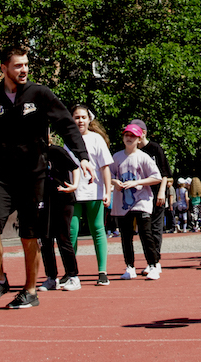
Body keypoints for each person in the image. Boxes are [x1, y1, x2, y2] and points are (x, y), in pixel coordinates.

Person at [0, 45, 89, 310]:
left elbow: (65, 124)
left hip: (34, 176)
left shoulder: (40, 94)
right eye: (17, 65)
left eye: (26, 64)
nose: (23, 70)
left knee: (29, 236)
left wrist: (82, 157)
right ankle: (0, 280)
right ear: (4, 68)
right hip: (2, 176)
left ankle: (30, 291)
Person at [68, 105, 113, 286]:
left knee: (97, 230)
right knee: (72, 231)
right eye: (77, 117)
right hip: (73, 191)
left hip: (94, 191)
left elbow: (105, 167)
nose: (80, 120)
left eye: (83, 117)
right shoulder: (68, 139)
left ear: (89, 119)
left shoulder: (96, 139)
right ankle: (71, 272)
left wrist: (107, 191)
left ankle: (102, 272)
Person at [111, 123, 163, 279]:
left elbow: (157, 177)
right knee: (125, 236)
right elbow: (109, 175)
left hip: (142, 201)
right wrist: (115, 183)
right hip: (123, 203)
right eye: (126, 135)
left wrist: (136, 183)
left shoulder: (143, 157)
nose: (129, 138)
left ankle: (153, 265)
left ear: (139, 138)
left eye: (133, 136)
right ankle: (130, 267)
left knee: (146, 233)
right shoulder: (117, 157)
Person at [39, 134, 81, 291]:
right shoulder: (32, 155)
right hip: (44, 201)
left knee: (63, 237)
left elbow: (75, 167)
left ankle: (73, 276)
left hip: (63, 198)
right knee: (45, 239)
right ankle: (51, 277)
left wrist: (74, 185)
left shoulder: (56, 151)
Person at [129, 119, 171, 277]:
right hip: (140, 196)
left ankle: (156, 262)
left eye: (135, 133)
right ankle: (151, 261)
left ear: (143, 133)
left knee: (155, 228)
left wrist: (161, 192)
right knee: (144, 230)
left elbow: (165, 173)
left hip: (156, 192)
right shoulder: (132, 151)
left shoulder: (154, 148)